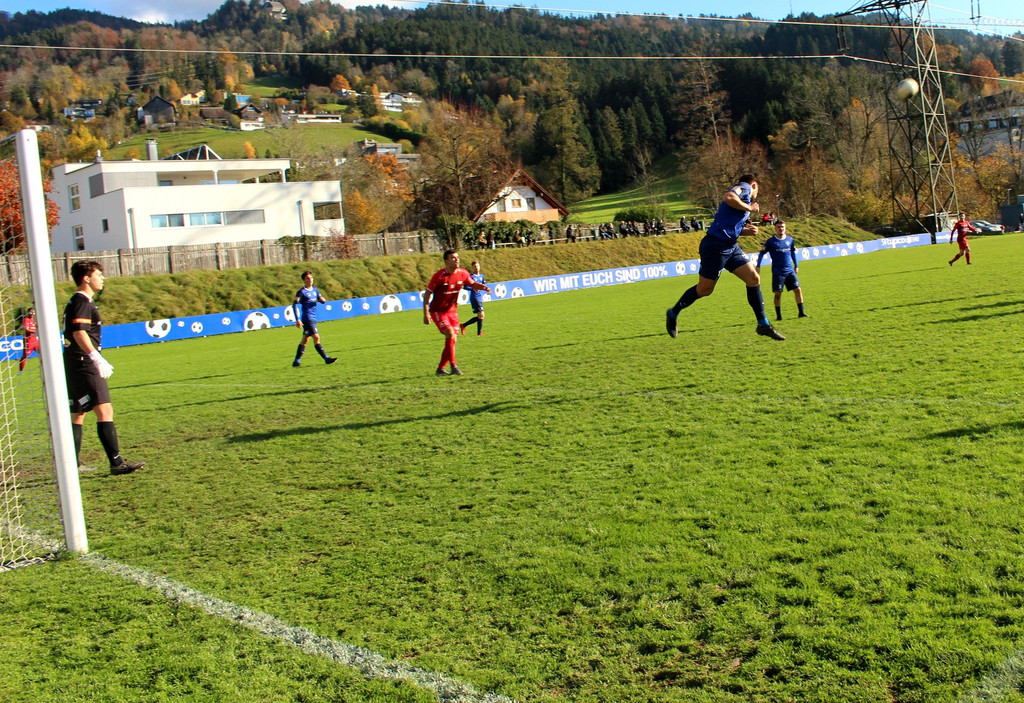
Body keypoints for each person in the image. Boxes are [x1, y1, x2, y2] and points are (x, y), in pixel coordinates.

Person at [665, 175, 785, 341]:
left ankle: (763, 324)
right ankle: (673, 313)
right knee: (704, 290)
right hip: (715, 247)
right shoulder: (745, 187)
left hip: (730, 246)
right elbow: (728, 197)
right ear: (755, 185)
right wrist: (750, 208)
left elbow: (726, 225)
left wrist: (744, 231)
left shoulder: (743, 199)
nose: (755, 195)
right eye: (757, 190)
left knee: (753, 279)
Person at [63, 260, 145, 476]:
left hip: (75, 362)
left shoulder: (76, 301)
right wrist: (95, 357)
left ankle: (72, 463)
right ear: (86, 278)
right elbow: (79, 332)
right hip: (83, 362)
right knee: (104, 409)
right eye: (98, 274)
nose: (102, 278)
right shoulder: (82, 301)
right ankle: (116, 463)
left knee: (78, 412)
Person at [423, 250, 490, 376]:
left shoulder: (463, 273)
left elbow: (472, 284)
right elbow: (427, 294)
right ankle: (454, 366)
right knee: (450, 334)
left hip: (452, 311)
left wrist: (483, 287)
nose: (457, 260)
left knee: (452, 339)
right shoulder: (439, 276)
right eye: (453, 258)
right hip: (438, 311)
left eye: (457, 257)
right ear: (446, 261)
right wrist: (426, 313)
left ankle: (440, 369)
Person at [756, 220, 807, 321]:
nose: (781, 229)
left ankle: (801, 313)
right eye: (779, 227)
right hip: (778, 272)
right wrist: (758, 266)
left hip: (790, 270)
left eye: (782, 227)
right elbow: (761, 253)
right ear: (775, 228)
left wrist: (796, 265)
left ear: (785, 227)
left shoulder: (790, 240)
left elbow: (792, 253)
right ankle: (779, 316)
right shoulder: (771, 242)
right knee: (778, 294)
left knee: (798, 290)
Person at [292, 270, 338, 367]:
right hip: (307, 318)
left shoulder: (315, 290)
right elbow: (294, 304)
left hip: (313, 317)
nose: (310, 280)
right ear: (304, 280)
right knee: (316, 337)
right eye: (308, 278)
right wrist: (297, 319)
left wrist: (322, 300)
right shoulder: (301, 292)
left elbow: (320, 299)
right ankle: (326, 358)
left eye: (311, 278)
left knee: (305, 339)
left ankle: (296, 361)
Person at [459, 260, 487, 336]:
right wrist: (473, 288)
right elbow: (465, 286)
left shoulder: (481, 276)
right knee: (481, 315)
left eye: (477, 266)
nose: (476, 268)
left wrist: (485, 289)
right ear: (472, 268)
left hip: (479, 297)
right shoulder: (471, 276)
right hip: (474, 298)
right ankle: (479, 333)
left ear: (479, 267)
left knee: (480, 316)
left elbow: (483, 284)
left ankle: (464, 325)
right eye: (475, 266)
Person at [18, 307, 39, 374]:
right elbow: (26, 329)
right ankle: (20, 371)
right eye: (31, 312)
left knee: (44, 352)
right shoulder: (26, 319)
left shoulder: (34, 320)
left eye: (33, 312)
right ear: (28, 312)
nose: (32, 313)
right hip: (28, 341)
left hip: (35, 340)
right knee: (25, 356)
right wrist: (35, 331)